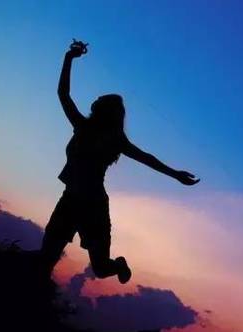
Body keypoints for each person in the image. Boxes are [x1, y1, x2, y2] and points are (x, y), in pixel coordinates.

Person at [39, 40, 199, 284]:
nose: (96, 101)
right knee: (46, 259)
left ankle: (119, 264)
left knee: (101, 269)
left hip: (94, 206)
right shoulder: (82, 126)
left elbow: (147, 158)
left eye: (101, 101)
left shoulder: (116, 141)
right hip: (69, 200)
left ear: (107, 111)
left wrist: (176, 174)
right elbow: (63, 94)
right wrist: (69, 58)